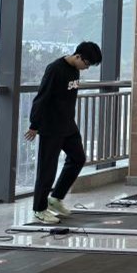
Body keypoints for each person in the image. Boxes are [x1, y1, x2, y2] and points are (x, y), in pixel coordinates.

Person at [25, 41, 103, 224]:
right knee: (47, 169)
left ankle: (55, 198)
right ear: (78, 56)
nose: (86, 68)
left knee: (78, 158)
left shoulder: (75, 70)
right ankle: (39, 209)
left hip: (68, 124)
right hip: (51, 126)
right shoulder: (55, 69)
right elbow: (42, 96)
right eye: (86, 64)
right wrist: (34, 124)